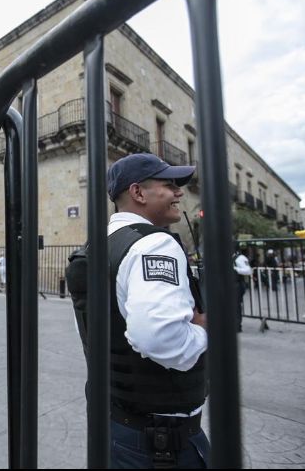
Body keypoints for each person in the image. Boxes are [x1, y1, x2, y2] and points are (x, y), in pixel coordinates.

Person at [81, 153, 209, 468]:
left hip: (118, 423)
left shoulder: (97, 245)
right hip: (162, 441)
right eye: (169, 185)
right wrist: (205, 329)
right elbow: (160, 338)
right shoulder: (154, 244)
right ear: (138, 193)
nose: (179, 192)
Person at [233, 242, 253, 332]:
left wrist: (236, 269)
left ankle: (237, 326)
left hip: (237, 285)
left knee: (236, 306)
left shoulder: (240, 258)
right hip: (228, 285)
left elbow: (248, 270)